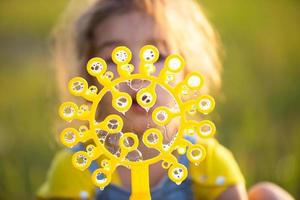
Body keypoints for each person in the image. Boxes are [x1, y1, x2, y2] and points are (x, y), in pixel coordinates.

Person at [37, 0, 294, 199]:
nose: (137, 73)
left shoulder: (204, 161)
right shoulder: (76, 169)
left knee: (268, 195)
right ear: (89, 78)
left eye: (157, 56)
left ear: (186, 71)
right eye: (116, 59)